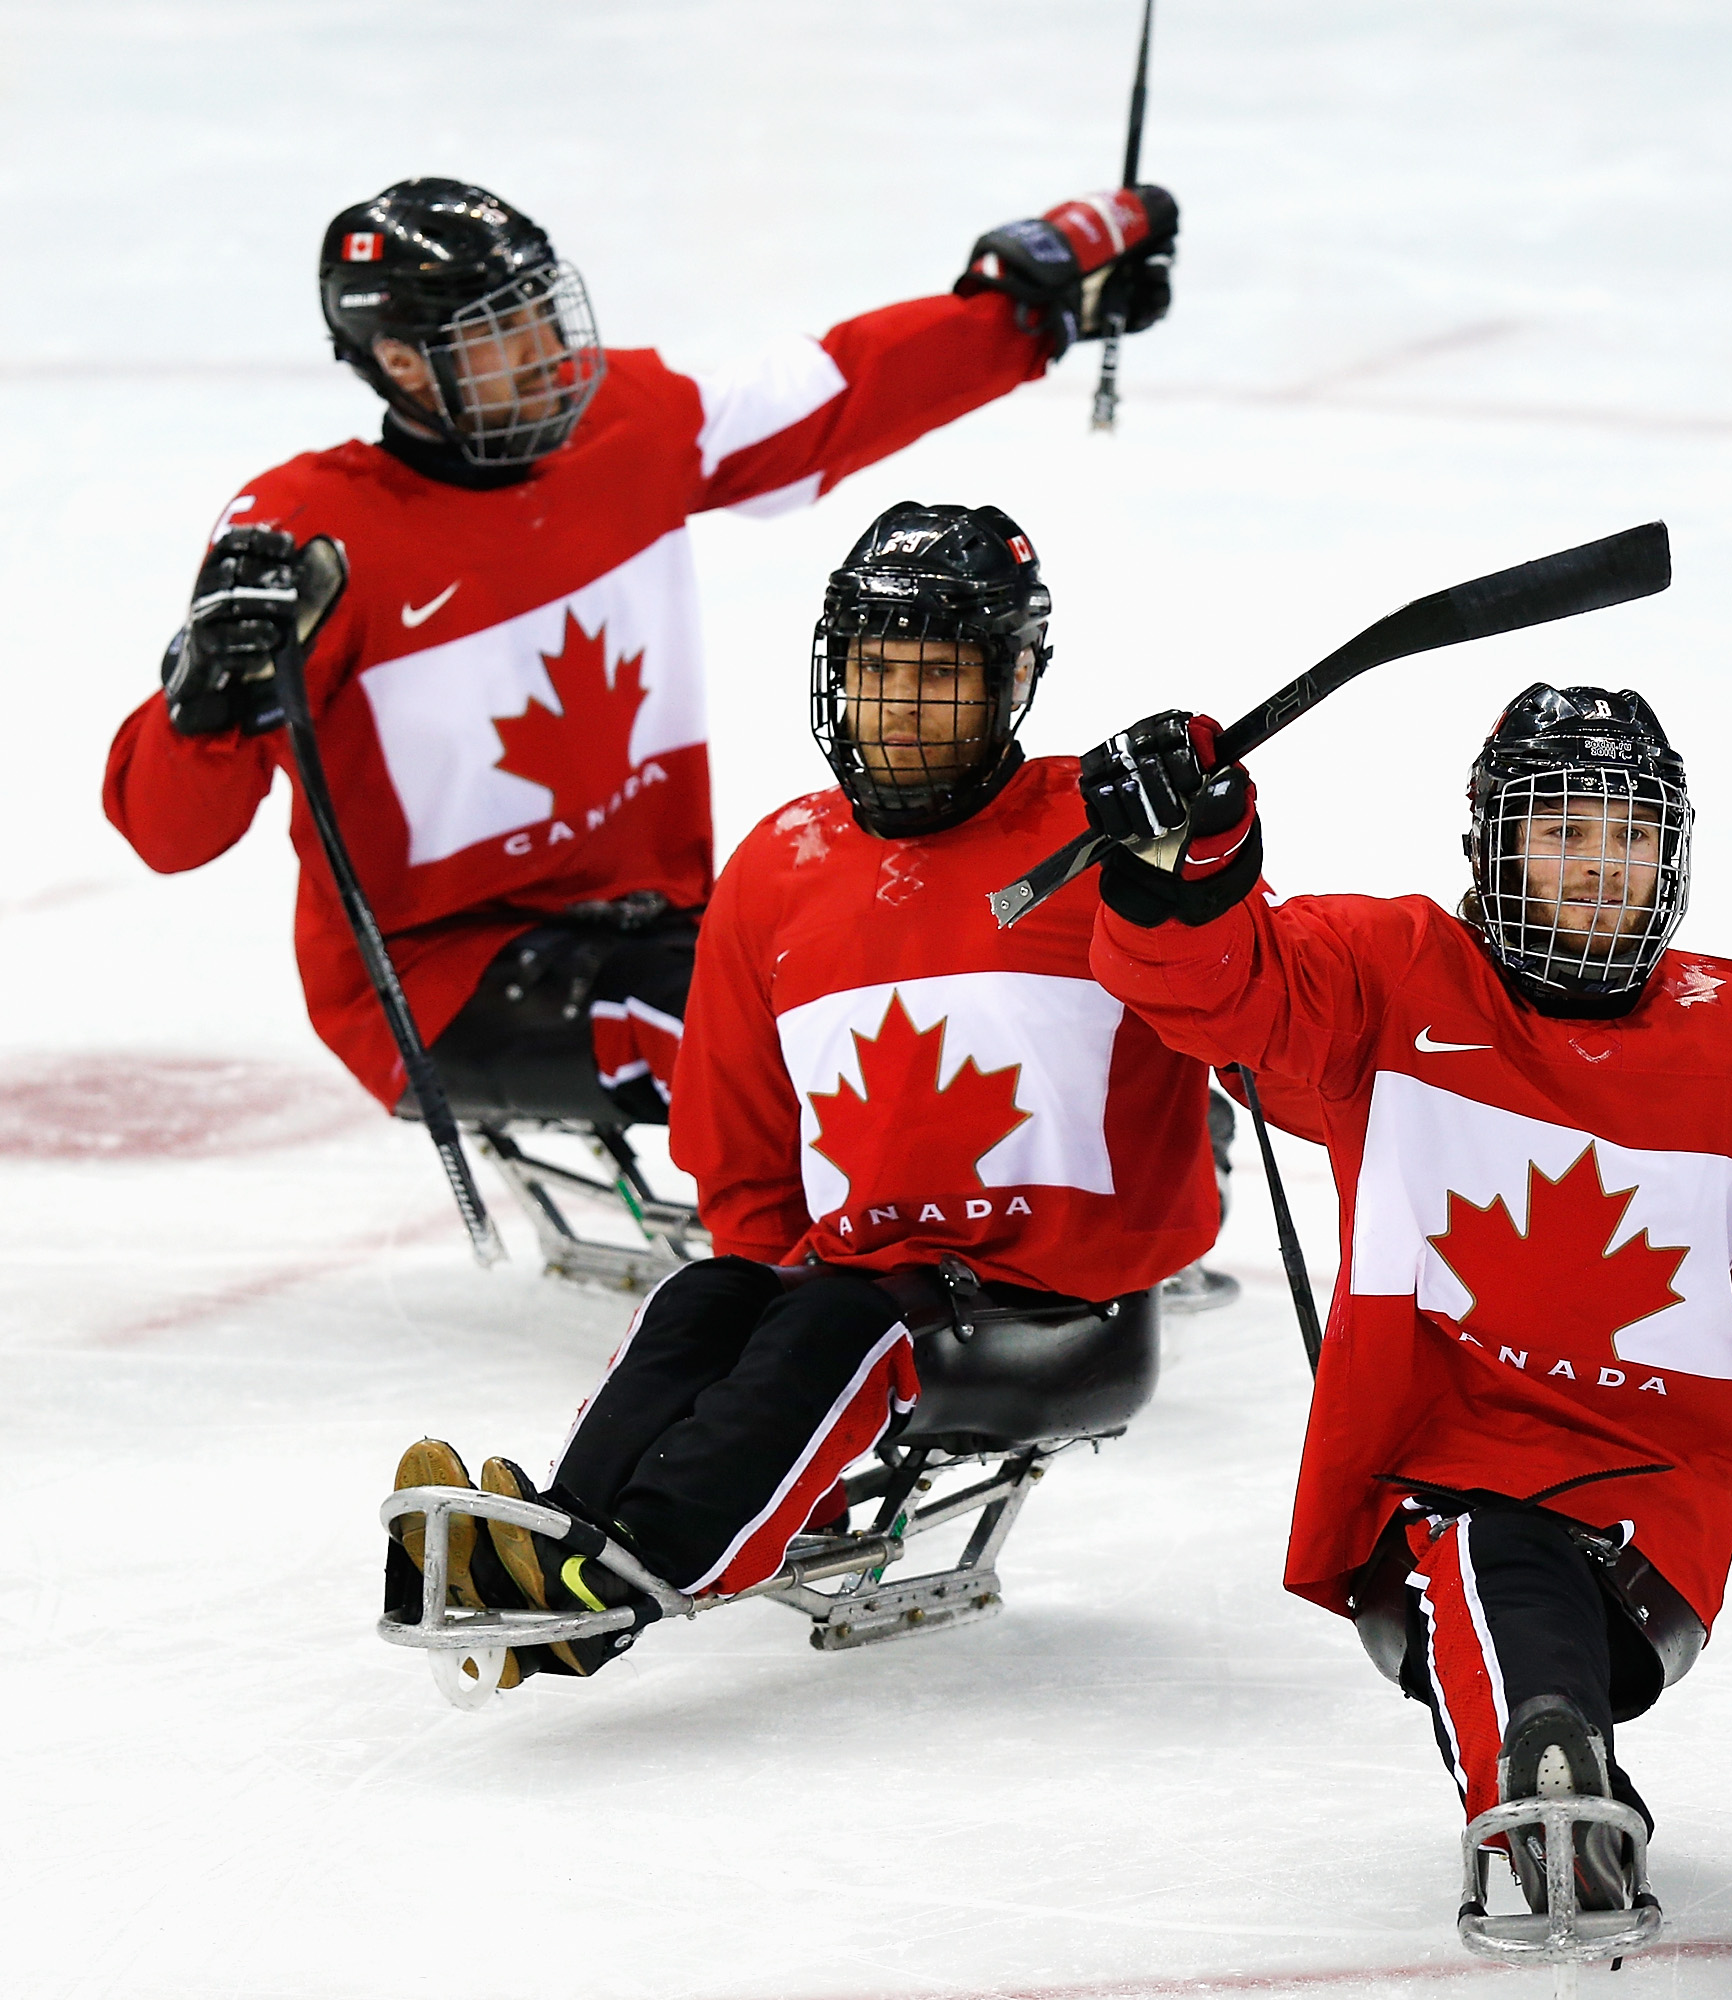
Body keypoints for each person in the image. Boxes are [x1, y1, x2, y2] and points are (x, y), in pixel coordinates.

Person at [1073, 685, 1732, 1927]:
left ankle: (1557, 1783)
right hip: (1425, 1477)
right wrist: (1192, 852)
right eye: (1564, 833)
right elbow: (1213, 985)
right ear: (1492, 847)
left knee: (1520, 1572)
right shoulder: (1390, 975)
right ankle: (1556, 1787)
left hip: (1644, 1521)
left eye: (1631, 836)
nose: (1603, 869)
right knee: (1487, 1549)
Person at [105, 174, 1177, 1123]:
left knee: (942, 962)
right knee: (789, 1043)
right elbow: (170, 834)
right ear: (402, 364)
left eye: (541, 314)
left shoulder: (623, 425)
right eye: (498, 335)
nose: (547, 355)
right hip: (447, 975)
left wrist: (1027, 312)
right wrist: (201, 701)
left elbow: (826, 398)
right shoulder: (307, 537)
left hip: (664, 919)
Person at [389, 502, 1221, 1689]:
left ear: (1017, 674)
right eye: (878, 668)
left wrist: (1205, 846)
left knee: (836, 1323)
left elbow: (1242, 988)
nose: (897, 705)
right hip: (872, 1279)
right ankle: (560, 1537)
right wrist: (765, 1316)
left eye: (937, 673)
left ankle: (617, 1585)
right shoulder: (781, 865)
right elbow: (741, 1147)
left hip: (1065, 1299)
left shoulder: (1097, 839)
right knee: (706, 1295)